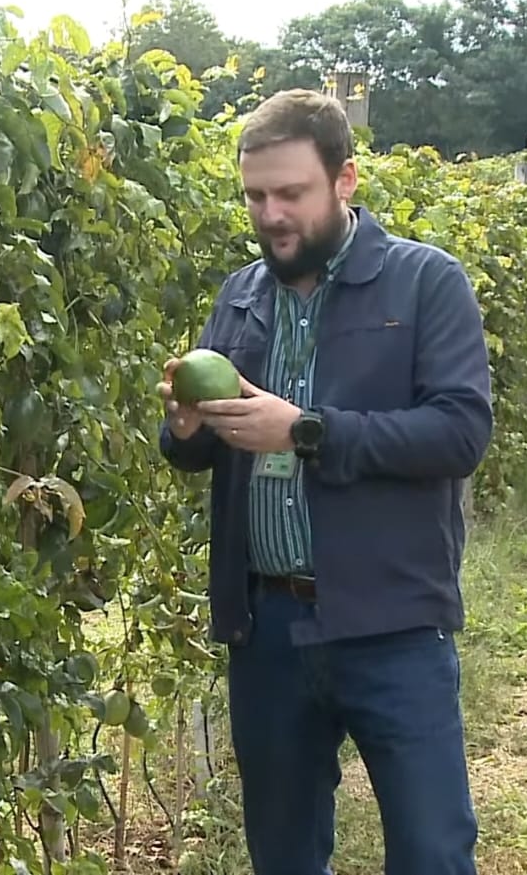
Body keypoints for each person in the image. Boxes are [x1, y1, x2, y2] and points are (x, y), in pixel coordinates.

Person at [157, 88, 494, 875]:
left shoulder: (424, 284)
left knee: (431, 850)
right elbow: (202, 449)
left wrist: (306, 430)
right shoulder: (241, 296)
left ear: (345, 181)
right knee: (284, 854)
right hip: (268, 629)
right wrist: (183, 429)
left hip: (392, 622)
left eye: (290, 193)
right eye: (255, 195)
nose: (270, 213)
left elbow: (458, 431)